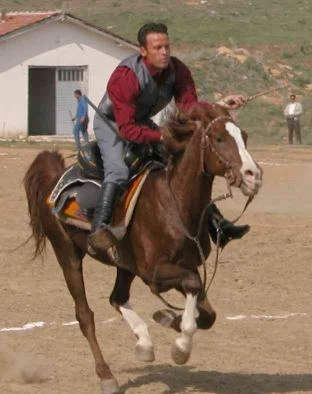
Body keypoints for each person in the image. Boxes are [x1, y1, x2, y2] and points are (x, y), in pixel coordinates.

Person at [88, 22, 250, 253]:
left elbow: (189, 108)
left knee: (183, 168)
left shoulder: (178, 70)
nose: (164, 52)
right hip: (112, 123)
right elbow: (127, 130)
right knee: (118, 170)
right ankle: (98, 230)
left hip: (141, 120)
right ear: (143, 50)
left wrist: (219, 104)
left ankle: (217, 226)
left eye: (167, 46)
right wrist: (161, 136)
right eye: (157, 48)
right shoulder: (125, 77)